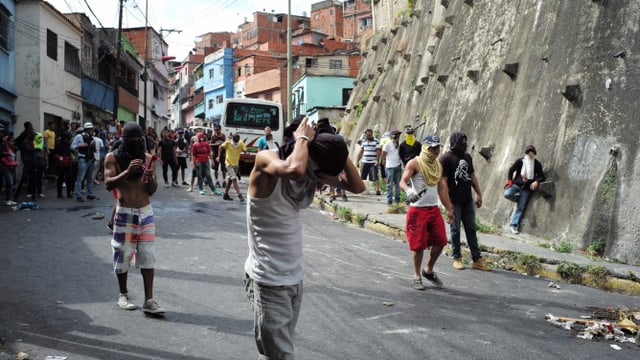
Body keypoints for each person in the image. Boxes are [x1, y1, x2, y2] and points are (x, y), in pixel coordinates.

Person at [243, 118, 365, 359]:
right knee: (281, 355)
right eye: (316, 172)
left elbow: (356, 186)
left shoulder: (312, 169)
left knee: (272, 354)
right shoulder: (267, 160)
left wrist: (335, 144)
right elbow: (295, 169)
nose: (315, 179)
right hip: (269, 281)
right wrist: (303, 138)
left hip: (294, 280)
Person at [103, 122, 164, 315]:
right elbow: (108, 184)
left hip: (145, 212)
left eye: (139, 141)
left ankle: (149, 300)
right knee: (122, 255)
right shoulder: (112, 158)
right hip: (125, 212)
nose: (136, 144)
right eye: (132, 141)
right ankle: (123, 294)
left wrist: (150, 178)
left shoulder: (148, 158)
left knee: (147, 256)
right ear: (124, 141)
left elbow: (152, 190)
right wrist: (127, 172)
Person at [400, 134, 454, 290]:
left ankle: (428, 269)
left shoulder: (438, 166)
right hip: (417, 210)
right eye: (433, 147)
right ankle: (416, 275)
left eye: (438, 147)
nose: (436, 151)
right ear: (425, 147)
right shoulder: (414, 163)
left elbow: (442, 188)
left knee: (441, 241)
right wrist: (409, 190)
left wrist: (449, 208)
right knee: (418, 246)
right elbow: (402, 181)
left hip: (433, 209)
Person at [439, 131, 491, 271]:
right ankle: (457, 258)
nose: (465, 144)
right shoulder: (445, 159)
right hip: (454, 201)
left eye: (466, 141)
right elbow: (442, 183)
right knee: (455, 230)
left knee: (471, 229)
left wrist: (479, 194)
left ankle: (477, 260)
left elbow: (472, 176)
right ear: (454, 142)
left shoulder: (467, 157)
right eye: (462, 141)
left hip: (467, 200)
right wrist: (447, 204)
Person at [504, 145, 546, 234]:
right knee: (507, 194)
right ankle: (520, 200)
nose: (530, 154)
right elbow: (511, 170)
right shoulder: (520, 161)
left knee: (520, 208)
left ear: (534, 153)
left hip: (526, 189)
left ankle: (513, 226)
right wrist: (510, 181)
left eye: (532, 152)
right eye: (529, 152)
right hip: (516, 185)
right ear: (526, 153)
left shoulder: (537, 164)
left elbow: (542, 177)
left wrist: (536, 181)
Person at [71, 122, 98, 202]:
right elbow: (72, 146)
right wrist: (79, 145)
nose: (92, 130)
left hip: (91, 159)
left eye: (92, 129)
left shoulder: (91, 138)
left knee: (90, 178)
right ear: (87, 129)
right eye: (90, 129)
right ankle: (78, 195)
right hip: (83, 158)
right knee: (80, 178)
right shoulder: (79, 136)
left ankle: (90, 194)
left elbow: (93, 149)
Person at [217, 133, 247, 201]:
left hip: (236, 164)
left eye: (237, 141)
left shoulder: (241, 143)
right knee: (234, 179)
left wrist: (245, 151)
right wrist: (218, 156)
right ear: (232, 139)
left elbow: (245, 150)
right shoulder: (228, 143)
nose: (235, 143)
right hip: (228, 164)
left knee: (230, 180)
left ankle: (225, 194)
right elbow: (220, 147)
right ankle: (240, 195)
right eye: (234, 141)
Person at [356, 128, 381, 195]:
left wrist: (377, 160)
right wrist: (357, 161)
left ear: (372, 134)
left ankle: (377, 189)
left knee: (375, 176)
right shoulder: (363, 141)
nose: (369, 136)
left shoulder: (376, 141)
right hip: (364, 161)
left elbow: (378, 151)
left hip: (373, 162)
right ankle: (362, 189)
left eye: (370, 135)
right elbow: (361, 151)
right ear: (365, 135)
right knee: (362, 176)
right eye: (367, 135)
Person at [382, 129, 403, 205]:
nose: (397, 136)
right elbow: (383, 154)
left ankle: (397, 200)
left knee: (397, 184)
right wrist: (384, 162)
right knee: (389, 184)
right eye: (396, 135)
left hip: (398, 165)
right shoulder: (388, 144)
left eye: (398, 135)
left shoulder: (400, 144)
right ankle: (389, 200)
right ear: (392, 135)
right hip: (390, 166)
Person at [0, 123, 17, 206]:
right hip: (4, 165)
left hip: (7, 166)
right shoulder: (4, 142)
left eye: (2, 132)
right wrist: (3, 154)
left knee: (10, 183)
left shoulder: (4, 142)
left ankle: (8, 199)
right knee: (8, 182)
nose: (1, 134)